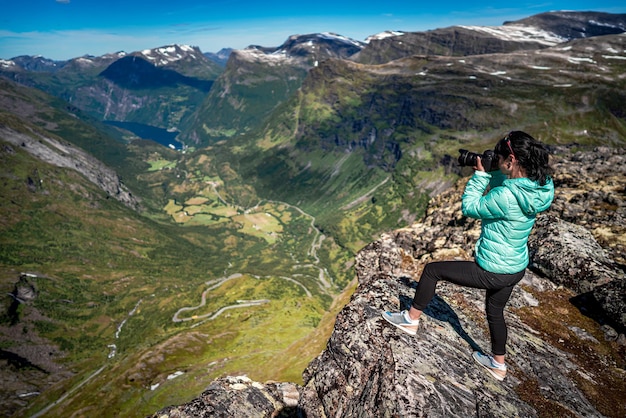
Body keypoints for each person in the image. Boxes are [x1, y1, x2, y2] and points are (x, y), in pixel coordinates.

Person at [381, 131, 554, 381]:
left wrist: (480, 175)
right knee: (495, 312)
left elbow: (471, 207)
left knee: (432, 270)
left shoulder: (505, 196)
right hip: (515, 268)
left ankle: (410, 319)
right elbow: (510, 187)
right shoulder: (540, 187)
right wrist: (495, 169)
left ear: (512, 160)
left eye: (503, 158)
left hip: (493, 269)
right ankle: (498, 365)